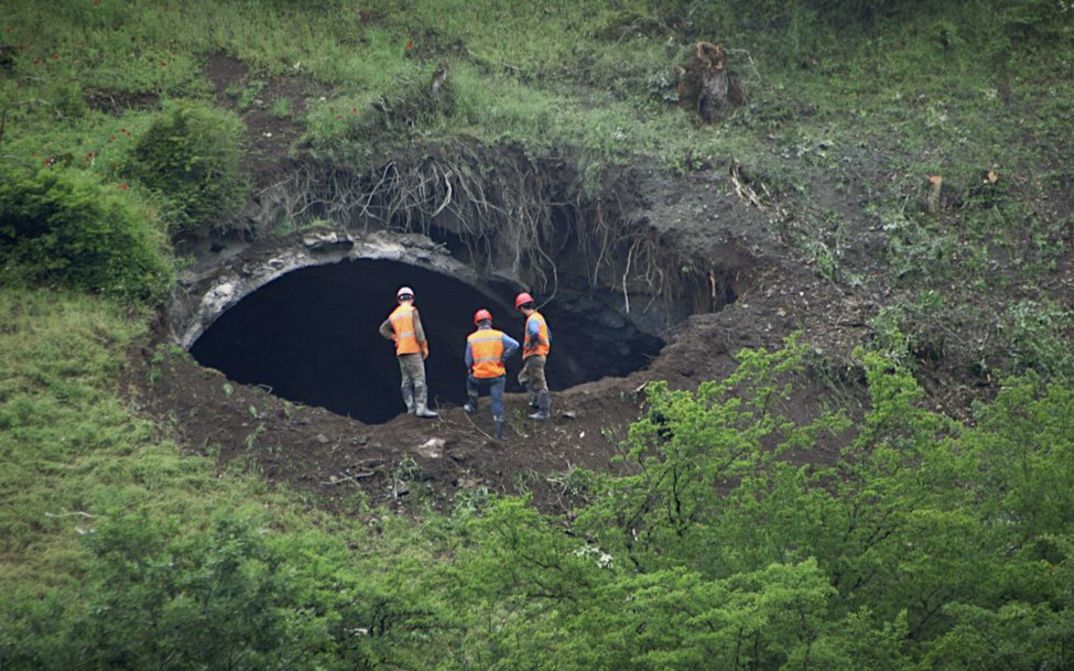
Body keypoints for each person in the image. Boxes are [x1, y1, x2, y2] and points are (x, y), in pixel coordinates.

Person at [379, 286, 437, 418]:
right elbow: (419, 332)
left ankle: (410, 408)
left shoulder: (394, 315)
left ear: (399, 300)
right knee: (419, 378)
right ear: (412, 299)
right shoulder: (412, 311)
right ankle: (421, 408)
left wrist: (394, 337)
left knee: (406, 380)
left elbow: (383, 329)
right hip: (413, 348)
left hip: (401, 350)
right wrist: (424, 346)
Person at [463, 308, 519, 440]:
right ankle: (498, 434)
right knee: (497, 401)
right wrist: (503, 358)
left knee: (470, 382)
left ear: (476, 323)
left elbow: (468, 360)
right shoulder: (499, 335)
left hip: (478, 376)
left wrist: (471, 369)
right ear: (490, 322)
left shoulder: (472, 339)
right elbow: (515, 345)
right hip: (496, 376)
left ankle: (472, 406)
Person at [514, 292, 552, 420]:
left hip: (535, 356)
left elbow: (534, 332)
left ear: (521, 308)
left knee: (539, 382)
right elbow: (549, 336)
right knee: (523, 377)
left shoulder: (532, 319)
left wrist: (531, 344)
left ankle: (544, 411)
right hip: (538, 355)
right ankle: (536, 401)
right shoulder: (539, 317)